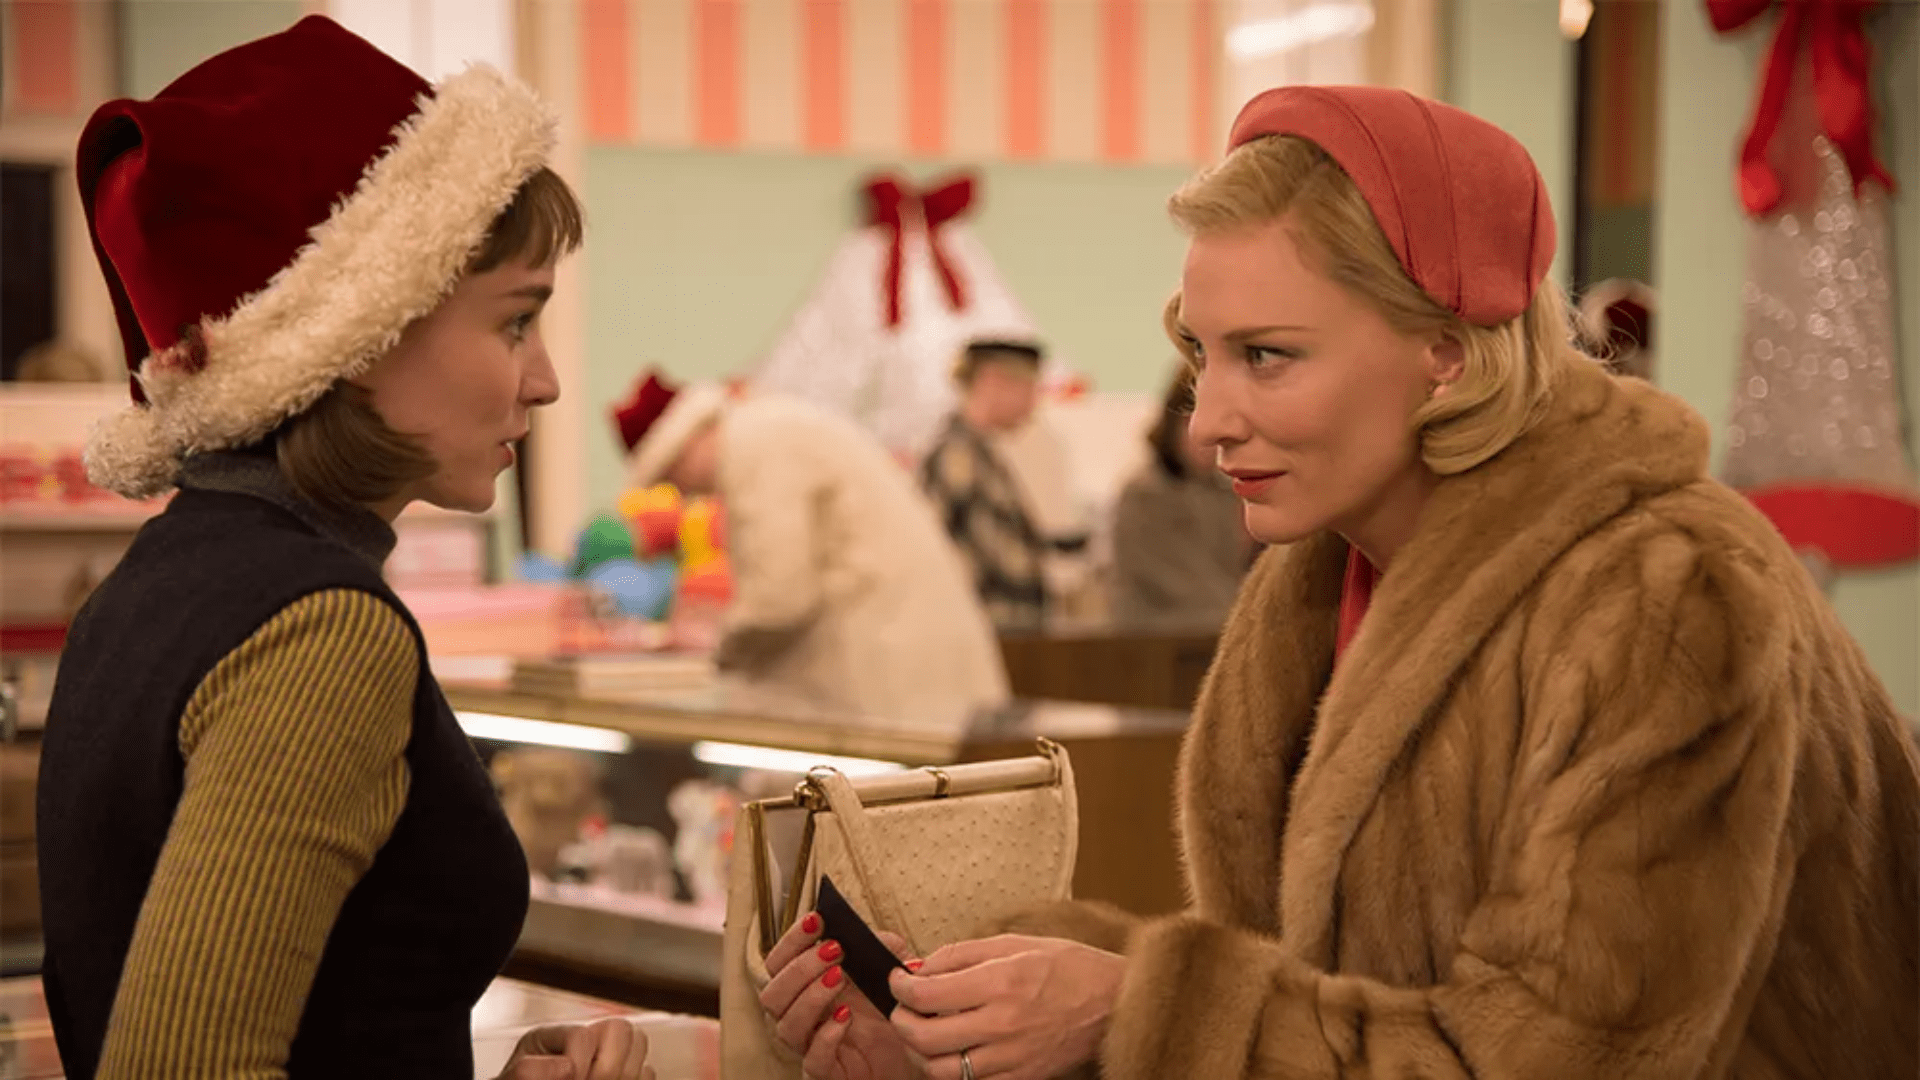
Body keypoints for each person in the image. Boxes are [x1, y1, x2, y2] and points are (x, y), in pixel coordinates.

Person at [758, 85, 1920, 1080]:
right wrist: (970, 1009)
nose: (1209, 420)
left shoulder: (1668, 597)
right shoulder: (1322, 571)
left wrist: (1132, 1009)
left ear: (1449, 356)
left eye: (1269, 355)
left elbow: (1567, 1055)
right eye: (1200, 357)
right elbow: (1315, 993)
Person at [36, 18, 651, 1080]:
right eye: (515, 322)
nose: (545, 379)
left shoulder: (158, 581)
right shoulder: (317, 630)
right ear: (357, 338)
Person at [612, 371, 1009, 722]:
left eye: (671, 474)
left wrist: (714, 646)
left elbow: (780, 599)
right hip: (910, 664)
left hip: (890, 674)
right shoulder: (769, 429)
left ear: (685, 442)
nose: (682, 492)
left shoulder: (754, 448)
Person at [919, 339, 1078, 631]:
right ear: (992, 381)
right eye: (1028, 388)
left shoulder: (981, 455)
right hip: (983, 630)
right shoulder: (956, 458)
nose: (1033, 403)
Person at [1109, 365, 1252, 628]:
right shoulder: (1146, 495)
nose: (1206, 438)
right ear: (1171, 422)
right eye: (1191, 421)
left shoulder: (1223, 493)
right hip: (1156, 645)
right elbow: (1185, 587)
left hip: (1208, 636)